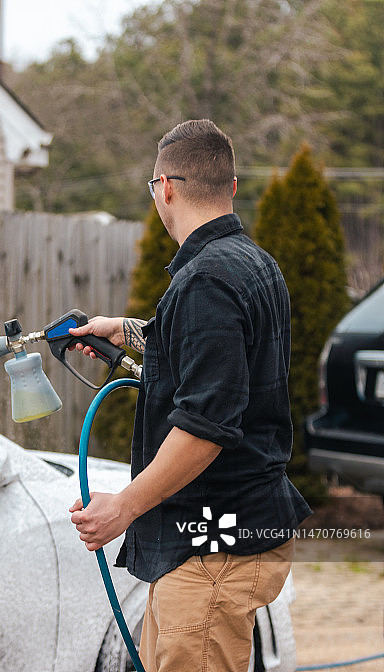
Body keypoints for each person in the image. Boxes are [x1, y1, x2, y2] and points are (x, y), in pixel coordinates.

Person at [68, 119, 311, 672]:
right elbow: (208, 349)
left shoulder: (206, 280)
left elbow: (207, 425)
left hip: (212, 550)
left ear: (165, 188)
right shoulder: (252, 265)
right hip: (222, 539)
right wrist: (120, 329)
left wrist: (121, 509)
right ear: (229, 188)